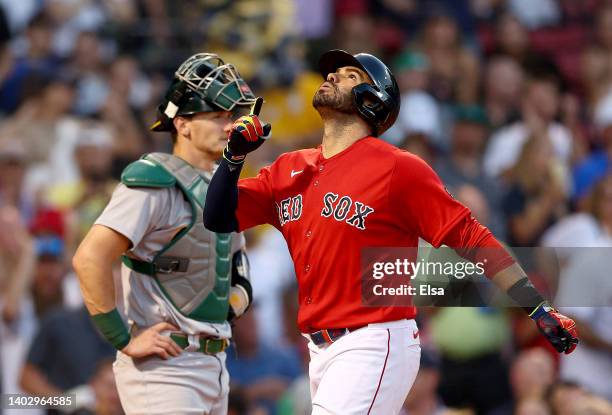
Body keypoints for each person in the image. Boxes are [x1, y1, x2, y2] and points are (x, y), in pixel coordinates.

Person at [204, 49, 579, 414]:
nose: (332, 75)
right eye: (333, 72)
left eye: (350, 75)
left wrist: (536, 305)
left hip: (373, 339)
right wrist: (233, 157)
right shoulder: (289, 168)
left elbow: (473, 238)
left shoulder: (399, 168)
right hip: (319, 349)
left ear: (373, 100)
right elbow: (218, 216)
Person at [72, 53, 256, 415]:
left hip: (215, 364)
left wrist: (234, 299)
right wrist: (123, 339)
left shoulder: (223, 184)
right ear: (183, 124)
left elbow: (235, 268)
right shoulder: (153, 182)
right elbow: (89, 258)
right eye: (217, 116)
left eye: (231, 117)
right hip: (165, 366)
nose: (229, 125)